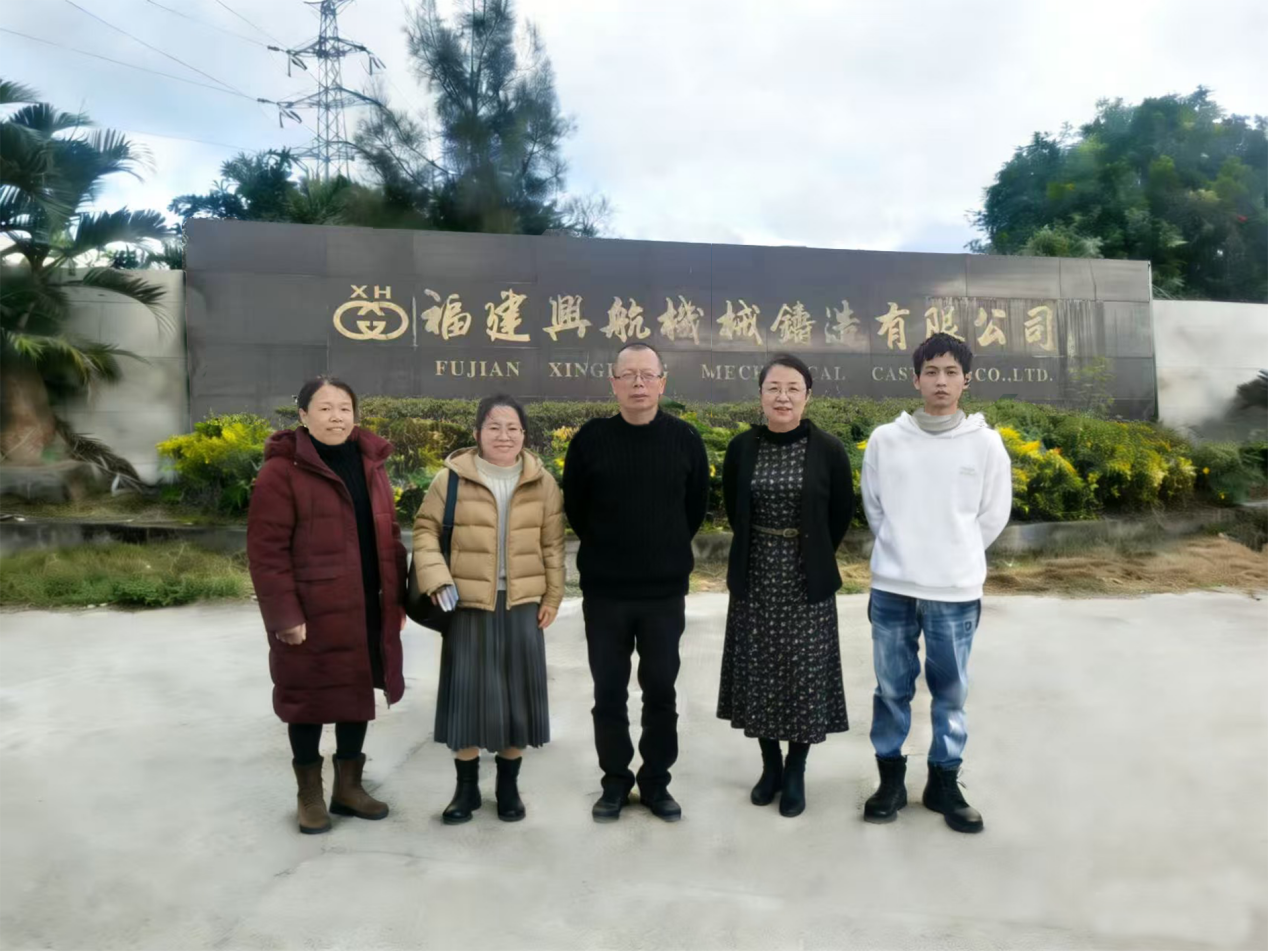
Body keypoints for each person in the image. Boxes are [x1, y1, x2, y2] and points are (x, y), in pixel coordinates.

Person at [860, 333, 1012, 833]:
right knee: (891, 689)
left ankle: (943, 783)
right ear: (916, 379)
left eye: (951, 372)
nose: (941, 381)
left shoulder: (986, 444)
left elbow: (993, 515)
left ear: (967, 380)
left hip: (955, 592)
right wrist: (902, 551)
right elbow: (875, 507)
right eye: (931, 372)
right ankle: (890, 782)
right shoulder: (886, 439)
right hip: (893, 588)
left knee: (950, 693)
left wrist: (955, 555)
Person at [247, 377, 408, 835]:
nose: (336, 416)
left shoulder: (371, 464)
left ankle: (348, 788)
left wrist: (396, 599)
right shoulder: (282, 473)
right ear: (303, 416)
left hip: (368, 604)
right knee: (307, 700)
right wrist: (284, 615)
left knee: (356, 695)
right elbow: (266, 552)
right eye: (324, 408)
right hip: (311, 612)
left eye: (344, 408)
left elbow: (389, 534)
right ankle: (310, 795)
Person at [562, 342, 710, 822]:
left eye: (648, 375)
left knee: (661, 691)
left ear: (663, 382)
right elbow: (576, 507)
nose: (639, 383)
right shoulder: (590, 440)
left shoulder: (685, 439)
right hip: (606, 593)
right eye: (629, 375)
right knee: (609, 692)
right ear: (614, 383)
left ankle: (656, 781)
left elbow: (694, 508)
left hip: (663, 594)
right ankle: (614, 781)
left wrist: (662, 549)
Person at [413, 394, 565, 824]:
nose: (504, 435)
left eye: (513, 428)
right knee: (467, 698)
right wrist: (436, 577)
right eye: (494, 427)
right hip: (467, 603)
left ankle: (508, 787)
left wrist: (553, 596)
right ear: (477, 432)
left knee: (517, 699)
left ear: (524, 434)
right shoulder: (451, 479)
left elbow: (553, 545)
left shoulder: (542, 483)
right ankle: (465, 791)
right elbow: (424, 531)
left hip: (522, 605)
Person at [717, 354, 853, 818]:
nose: (783, 397)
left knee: (803, 674)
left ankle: (796, 769)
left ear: (807, 396)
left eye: (793, 388)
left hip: (805, 577)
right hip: (755, 575)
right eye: (774, 387)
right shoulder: (742, 447)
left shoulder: (828, 449)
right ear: (760, 395)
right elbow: (734, 506)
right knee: (759, 671)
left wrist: (810, 549)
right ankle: (770, 765)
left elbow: (839, 513)